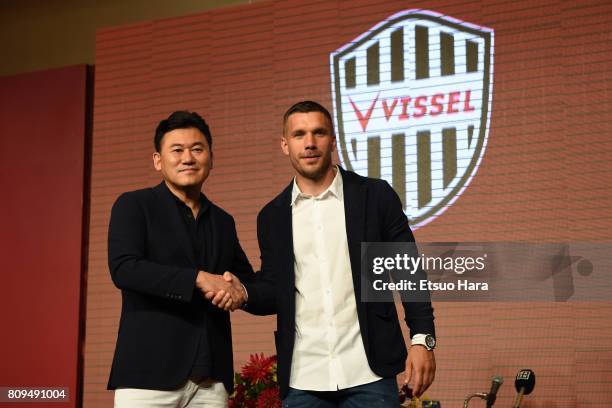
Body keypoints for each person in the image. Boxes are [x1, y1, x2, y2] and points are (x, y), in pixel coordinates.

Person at [234, 101, 436, 406]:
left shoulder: (375, 196)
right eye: (299, 134)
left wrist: (422, 339)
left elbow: (408, 270)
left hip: (369, 372)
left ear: (333, 140)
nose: (310, 143)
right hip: (304, 378)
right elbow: (276, 290)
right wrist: (244, 293)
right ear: (285, 145)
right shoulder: (272, 216)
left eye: (319, 132)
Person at [107, 111, 250, 408]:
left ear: (211, 157)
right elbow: (124, 269)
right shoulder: (134, 205)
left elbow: (242, 279)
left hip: (210, 380)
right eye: (177, 150)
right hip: (147, 377)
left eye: (197, 149)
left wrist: (241, 290)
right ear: (158, 160)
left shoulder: (224, 221)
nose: (188, 158)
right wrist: (197, 278)